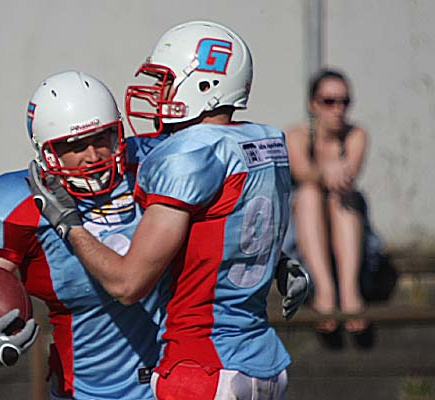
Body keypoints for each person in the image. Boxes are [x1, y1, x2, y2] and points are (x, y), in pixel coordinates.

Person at [29, 21, 309, 400]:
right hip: (265, 362)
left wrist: (68, 224)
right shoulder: (266, 140)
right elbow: (228, 224)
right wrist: (277, 260)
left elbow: (128, 284)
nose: (156, 94)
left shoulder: (189, 152)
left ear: (205, 86)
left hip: (201, 365)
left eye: (165, 81)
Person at [0, 70, 170, 400]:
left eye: (101, 138)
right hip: (88, 391)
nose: (93, 155)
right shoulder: (22, 208)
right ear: (48, 152)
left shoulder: (157, 170)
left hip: (178, 380)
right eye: (75, 145)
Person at [285, 68, 373, 347]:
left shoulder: (356, 135)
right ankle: (324, 290)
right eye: (329, 101)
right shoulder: (296, 135)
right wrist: (326, 171)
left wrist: (325, 173)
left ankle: (348, 292)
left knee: (340, 196)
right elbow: (302, 172)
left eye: (344, 101)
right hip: (302, 234)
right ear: (313, 104)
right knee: (309, 194)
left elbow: (346, 177)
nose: (338, 109)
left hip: (347, 225)